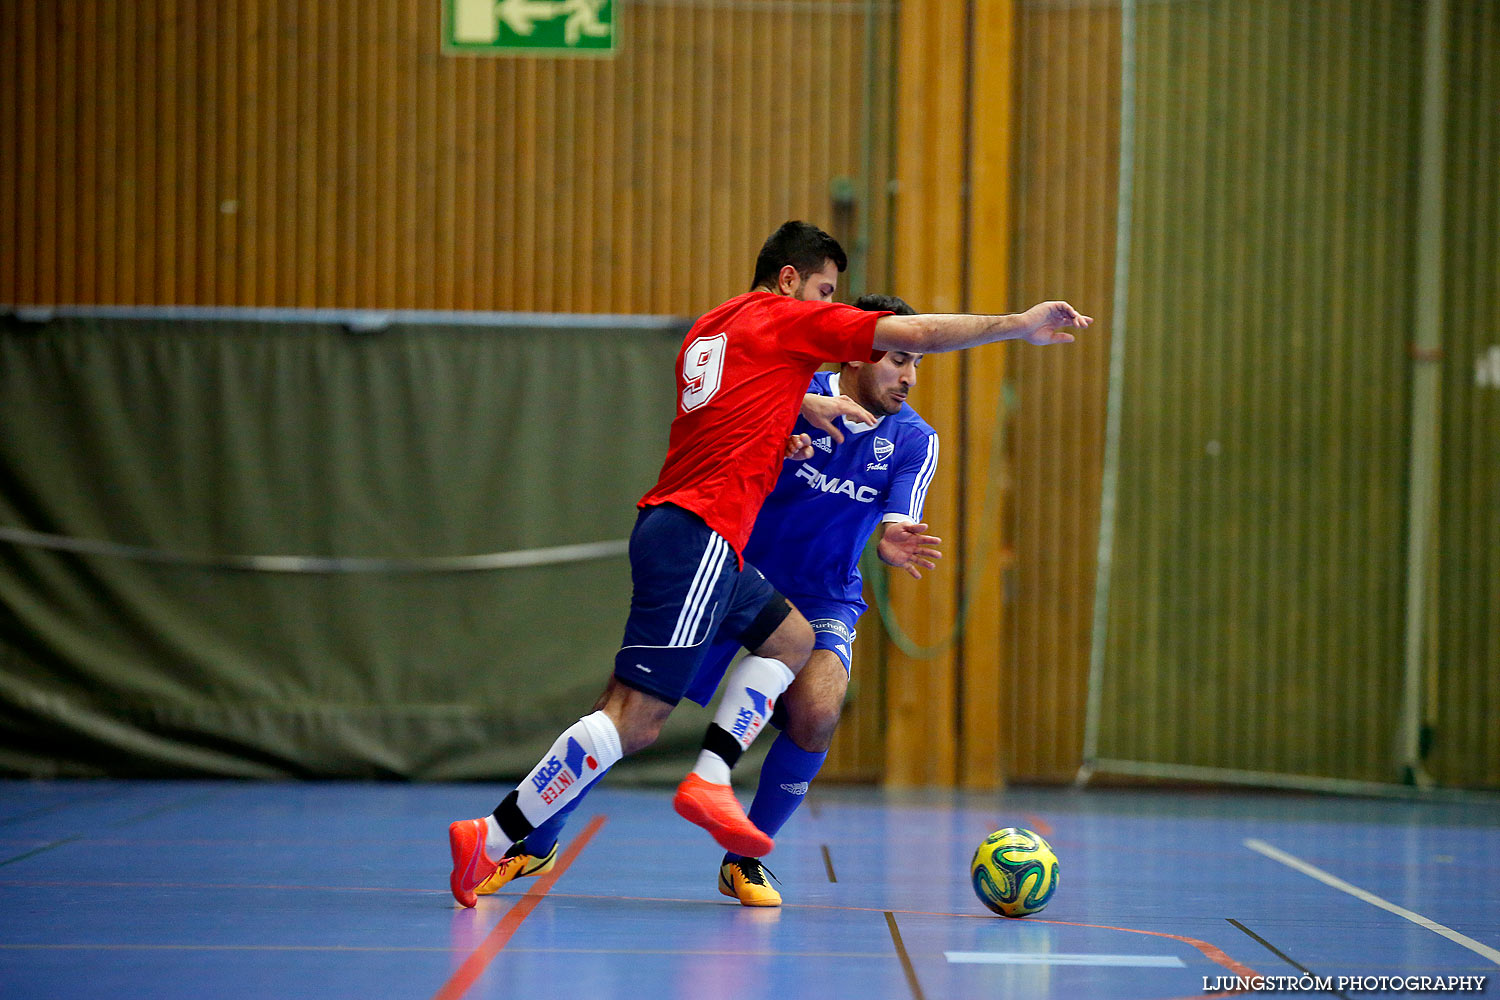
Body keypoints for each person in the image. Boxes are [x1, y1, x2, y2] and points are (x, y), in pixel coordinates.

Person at [447, 220, 1091, 908]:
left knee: (796, 655)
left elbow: (746, 408)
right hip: (710, 538)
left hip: (760, 572)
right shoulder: (790, 333)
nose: (904, 367)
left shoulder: (716, 329)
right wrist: (1018, 323)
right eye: (824, 291)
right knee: (631, 716)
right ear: (791, 283)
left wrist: (809, 435)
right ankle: (505, 834)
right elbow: (915, 334)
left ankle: (717, 795)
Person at [681, 292, 940, 906]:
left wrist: (894, 537)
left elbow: (902, 515)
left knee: (822, 707)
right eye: (896, 358)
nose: (907, 376)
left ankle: (744, 858)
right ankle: (536, 836)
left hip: (823, 594)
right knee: (634, 709)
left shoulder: (912, 439)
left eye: (917, 364)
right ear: (855, 354)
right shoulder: (796, 393)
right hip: (735, 574)